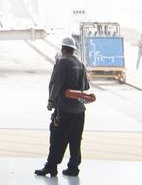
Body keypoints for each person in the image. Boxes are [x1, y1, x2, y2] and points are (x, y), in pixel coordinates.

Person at [36, 36, 90, 178]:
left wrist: (50, 101)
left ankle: (51, 166)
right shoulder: (81, 64)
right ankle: (73, 168)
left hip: (64, 109)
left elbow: (56, 83)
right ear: (73, 49)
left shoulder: (62, 63)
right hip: (79, 110)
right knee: (75, 139)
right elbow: (86, 86)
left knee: (57, 137)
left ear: (63, 49)